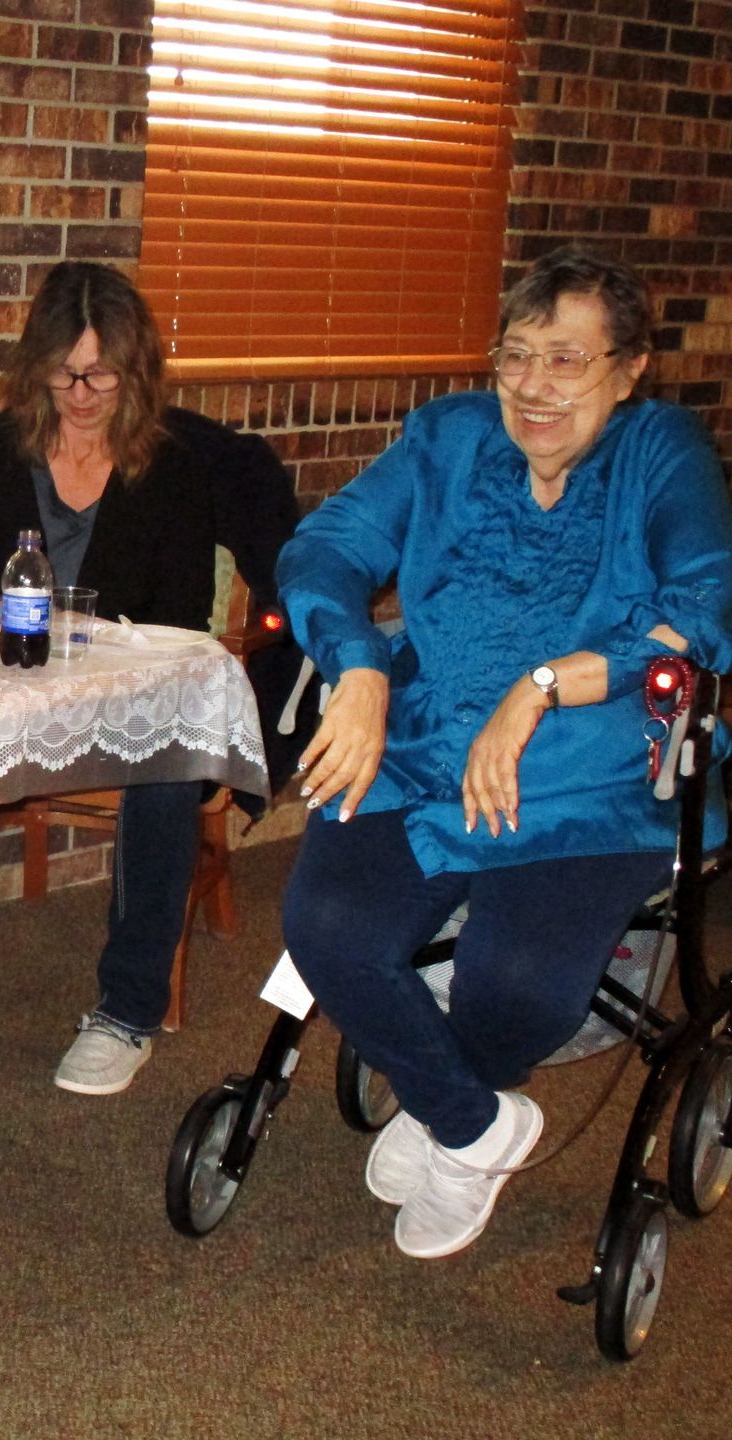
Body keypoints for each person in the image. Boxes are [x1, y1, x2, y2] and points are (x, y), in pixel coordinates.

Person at [278, 245, 732, 1260]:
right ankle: (478, 1123)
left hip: (600, 767)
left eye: (567, 361)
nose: (534, 387)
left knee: (513, 983)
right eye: (516, 356)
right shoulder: (446, 438)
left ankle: (446, 1102)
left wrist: (538, 689)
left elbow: (701, 609)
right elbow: (326, 546)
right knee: (327, 922)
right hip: (433, 738)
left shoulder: (662, 453)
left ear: (629, 369)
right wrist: (356, 666)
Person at [0, 261, 299, 1091]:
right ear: (36, 366)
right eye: (65, 372)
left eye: (101, 373)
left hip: (119, 702)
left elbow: (179, 613)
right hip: (4, 694)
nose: (80, 393)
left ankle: (127, 1013)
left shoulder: (174, 470)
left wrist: (96, 652)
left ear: (135, 370)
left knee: (169, 768)